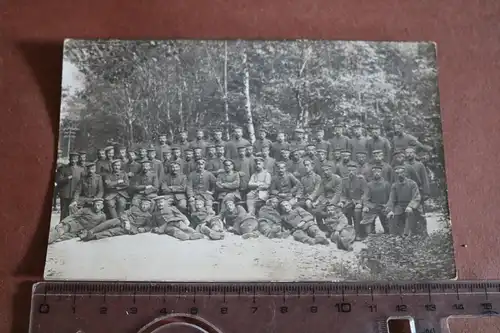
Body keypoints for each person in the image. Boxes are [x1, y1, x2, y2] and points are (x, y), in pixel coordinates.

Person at [79, 198, 154, 241]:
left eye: (146, 205)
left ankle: (93, 236)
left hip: (128, 228)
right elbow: (124, 213)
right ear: (140, 204)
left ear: (149, 206)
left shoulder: (148, 216)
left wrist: (143, 229)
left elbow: (149, 226)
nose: (144, 206)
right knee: (107, 223)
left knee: (111, 232)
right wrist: (126, 221)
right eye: (143, 204)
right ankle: (91, 231)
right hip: (122, 221)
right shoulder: (134, 208)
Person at [386, 165, 423, 236]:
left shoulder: (412, 183)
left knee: (409, 213)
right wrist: (390, 210)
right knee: (392, 215)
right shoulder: (394, 185)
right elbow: (391, 199)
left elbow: (416, 197)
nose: (399, 175)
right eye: (397, 173)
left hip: (411, 205)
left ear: (405, 173)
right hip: (400, 205)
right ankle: (393, 235)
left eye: (401, 173)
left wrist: (410, 206)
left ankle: (407, 235)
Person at [403, 146, 430, 235]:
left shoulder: (419, 165)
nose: (409, 154)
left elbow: (425, 179)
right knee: (409, 212)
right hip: (407, 192)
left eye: (411, 152)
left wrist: (426, 193)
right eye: (407, 153)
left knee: (420, 212)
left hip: (418, 192)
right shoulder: (403, 165)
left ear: (414, 154)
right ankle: (411, 232)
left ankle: (423, 232)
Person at [360, 165, 391, 236]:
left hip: (384, 206)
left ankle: (388, 230)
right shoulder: (369, 185)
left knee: (389, 229)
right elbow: (366, 197)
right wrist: (366, 206)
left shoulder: (386, 184)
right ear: (372, 173)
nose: (377, 173)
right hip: (373, 207)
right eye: (375, 172)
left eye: (379, 172)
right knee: (369, 232)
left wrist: (388, 206)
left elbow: (391, 197)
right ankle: (371, 230)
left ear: (381, 173)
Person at [340, 161, 367, 240]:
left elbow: (365, 193)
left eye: (353, 170)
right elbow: (342, 194)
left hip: (358, 202)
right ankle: (348, 232)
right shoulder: (344, 180)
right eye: (349, 171)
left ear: (356, 171)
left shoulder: (361, 180)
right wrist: (342, 201)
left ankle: (358, 233)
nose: (351, 172)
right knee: (343, 210)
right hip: (349, 201)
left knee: (357, 212)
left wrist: (360, 202)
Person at [56, 152, 84, 221]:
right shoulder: (63, 168)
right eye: (72, 159)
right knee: (64, 213)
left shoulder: (81, 170)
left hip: (76, 195)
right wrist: (67, 178)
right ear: (69, 159)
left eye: (75, 159)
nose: (73, 161)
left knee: (74, 213)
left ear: (78, 160)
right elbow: (59, 180)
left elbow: (82, 183)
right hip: (65, 194)